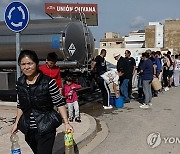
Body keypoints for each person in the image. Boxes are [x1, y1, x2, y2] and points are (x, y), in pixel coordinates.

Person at [11, 50, 73, 154]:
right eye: (23, 64)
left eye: (30, 63)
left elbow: (59, 102)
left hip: (46, 126)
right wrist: (16, 123)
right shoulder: (20, 83)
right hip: (28, 129)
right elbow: (20, 104)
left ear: (36, 64)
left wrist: (66, 123)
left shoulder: (48, 82)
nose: (26, 67)